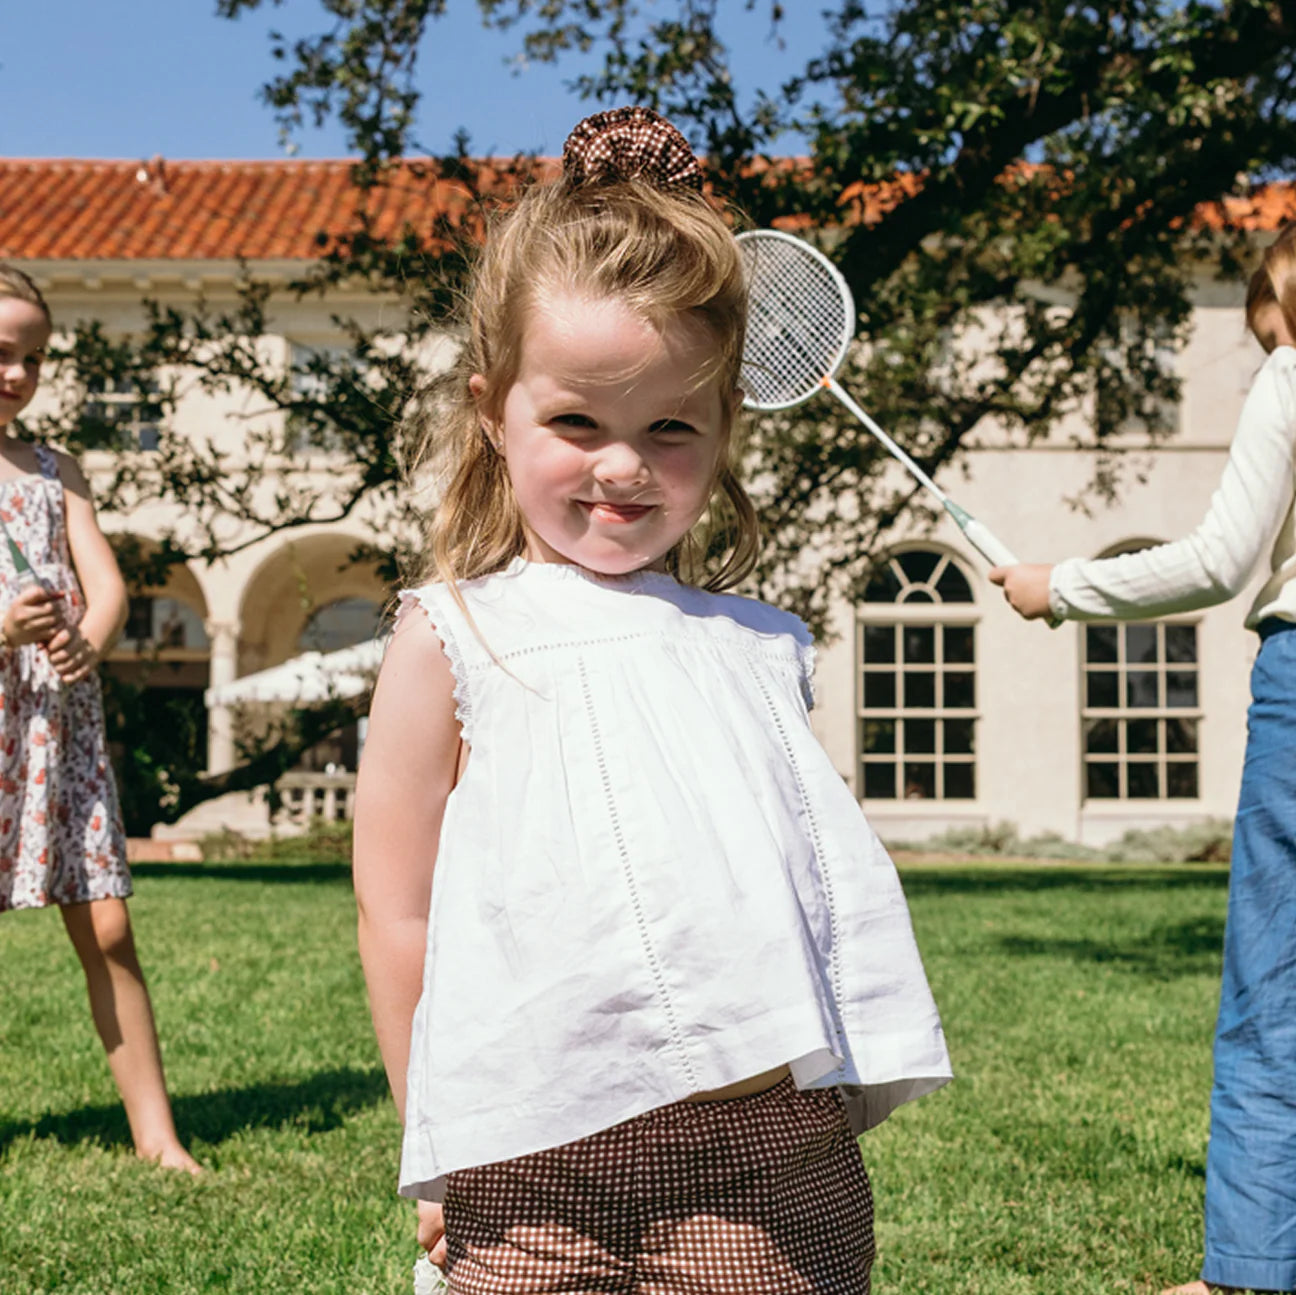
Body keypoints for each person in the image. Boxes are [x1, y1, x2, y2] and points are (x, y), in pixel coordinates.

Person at [352, 107, 952, 1295]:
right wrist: (435, 1137)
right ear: (494, 411)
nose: (622, 464)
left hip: (763, 1160)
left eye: (670, 425)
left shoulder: (759, 646)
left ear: (725, 428)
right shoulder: (453, 631)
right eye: (575, 421)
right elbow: (397, 906)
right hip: (530, 1159)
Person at [991, 225, 1296, 1295]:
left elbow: (1219, 561)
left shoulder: (1291, 378)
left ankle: (1249, 1271)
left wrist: (1060, 587)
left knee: (1273, 990)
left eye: (1271, 334)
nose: (1269, 354)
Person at [0, 263, 199, 1175]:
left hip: (60, 727)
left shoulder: (57, 470)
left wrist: (90, 636)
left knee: (110, 929)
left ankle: (158, 1139)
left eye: (34, 358)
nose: (18, 373)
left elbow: (108, 584)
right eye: (3, 353)